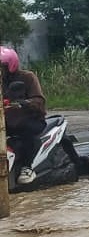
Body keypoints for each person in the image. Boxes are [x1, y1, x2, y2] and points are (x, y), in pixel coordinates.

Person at [1, 46, 47, 184]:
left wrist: (25, 103)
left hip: (31, 119)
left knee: (26, 130)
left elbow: (39, 100)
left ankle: (27, 167)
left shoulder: (28, 77)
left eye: (1, 67)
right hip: (6, 122)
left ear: (10, 65)